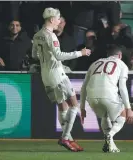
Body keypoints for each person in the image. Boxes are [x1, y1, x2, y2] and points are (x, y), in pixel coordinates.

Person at [32, 8, 91, 152]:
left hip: (46, 75)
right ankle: (65, 138)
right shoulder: (50, 36)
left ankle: (69, 138)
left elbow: (35, 54)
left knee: (62, 106)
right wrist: (80, 53)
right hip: (57, 74)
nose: (59, 22)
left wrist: (48, 61)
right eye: (58, 19)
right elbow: (58, 55)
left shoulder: (37, 35)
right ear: (52, 20)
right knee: (73, 104)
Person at [80, 44, 133, 153]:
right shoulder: (122, 64)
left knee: (105, 115)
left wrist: (82, 107)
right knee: (122, 114)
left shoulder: (95, 63)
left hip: (91, 97)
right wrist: (128, 108)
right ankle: (110, 135)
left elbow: (83, 87)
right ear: (119, 55)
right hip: (108, 94)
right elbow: (122, 87)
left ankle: (110, 144)